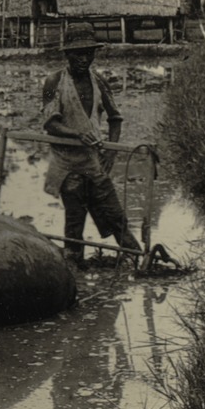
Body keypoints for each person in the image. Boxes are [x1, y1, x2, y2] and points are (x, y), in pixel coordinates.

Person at [40, 25, 141, 265]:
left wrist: (112, 153)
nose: (84, 59)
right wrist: (77, 134)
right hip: (66, 165)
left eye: (88, 53)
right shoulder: (54, 81)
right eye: (78, 53)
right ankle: (74, 272)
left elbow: (115, 119)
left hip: (94, 163)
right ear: (67, 54)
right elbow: (50, 124)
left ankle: (139, 261)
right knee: (74, 223)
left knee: (116, 217)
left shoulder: (99, 82)